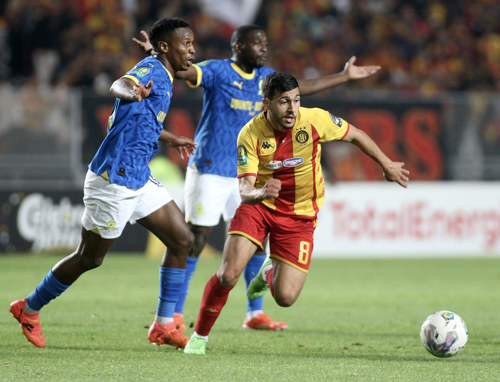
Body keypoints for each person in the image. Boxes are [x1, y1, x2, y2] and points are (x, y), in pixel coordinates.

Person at [134, 24, 381, 332]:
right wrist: (158, 57)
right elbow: (184, 72)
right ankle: (175, 313)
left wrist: (344, 76)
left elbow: (304, 86)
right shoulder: (218, 71)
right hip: (210, 168)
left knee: (255, 245)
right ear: (238, 46)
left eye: (265, 43)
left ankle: (254, 314)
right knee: (196, 240)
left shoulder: (268, 80)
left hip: (251, 176)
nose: (264, 48)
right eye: (257, 44)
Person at [183, 71, 410, 354]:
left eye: (296, 100)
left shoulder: (315, 120)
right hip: (259, 207)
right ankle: (199, 337)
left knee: (286, 298)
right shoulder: (250, 134)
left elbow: (356, 135)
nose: (292, 109)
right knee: (228, 274)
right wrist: (261, 193)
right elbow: (244, 189)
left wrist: (386, 164)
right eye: (284, 102)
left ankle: (268, 273)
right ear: (266, 104)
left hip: (300, 215)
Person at [9, 17, 198, 350]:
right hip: (114, 179)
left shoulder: (163, 72)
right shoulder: (151, 72)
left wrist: (168, 137)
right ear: (167, 48)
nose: (192, 50)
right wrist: (131, 89)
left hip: (138, 174)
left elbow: (139, 119)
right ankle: (29, 307)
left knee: (182, 239)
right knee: (89, 258)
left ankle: (163, 325)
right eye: (186, 44)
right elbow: (119, 86)